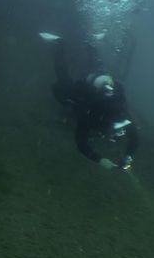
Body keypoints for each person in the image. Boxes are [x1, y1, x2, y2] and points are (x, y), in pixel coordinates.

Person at [40, 32, 139, 169]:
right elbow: (81, 143)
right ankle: (59, 45)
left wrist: (129, 157)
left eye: (119, 130)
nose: (118, 134)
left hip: (101, 85)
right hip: (82, 94)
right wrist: (100, 160)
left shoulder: (122, 115)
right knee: (63, 80)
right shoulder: (89, 116)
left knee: (99, 68)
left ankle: (90, 46)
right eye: (116, 131)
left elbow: (135, 138)